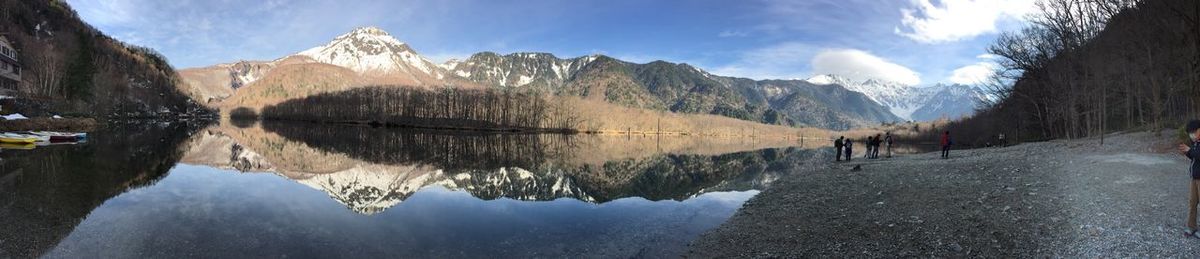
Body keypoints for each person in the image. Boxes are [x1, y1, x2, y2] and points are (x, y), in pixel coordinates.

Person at [1180, 120, 1200, 237]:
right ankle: (1191, 227)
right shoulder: (1195, 143)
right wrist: (1187, 152)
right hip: (1194, 178)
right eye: (1190, 133)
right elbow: (1194, 157)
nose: (1191, 135)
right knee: (1192, 203)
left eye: (1193, 132)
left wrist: (1190, 151)